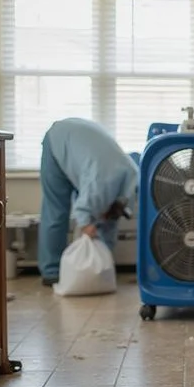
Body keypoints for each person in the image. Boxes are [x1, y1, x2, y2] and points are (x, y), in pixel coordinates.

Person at [38, 117, 139, 286]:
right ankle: (51, 272)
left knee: (107, 221)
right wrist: (87, 226)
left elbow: (111, 218)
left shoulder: (132, 180)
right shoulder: (101, 186)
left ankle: (103, 268)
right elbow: (82, 212)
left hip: (86, 148)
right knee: (56, 211)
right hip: (59, 139)